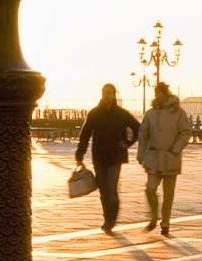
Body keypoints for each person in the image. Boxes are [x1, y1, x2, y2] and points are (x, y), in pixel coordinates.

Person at [75, 83, 139, 234]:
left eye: (110, 93)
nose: (107, 96)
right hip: (99, 156)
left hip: (116, 156)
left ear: (114, 94)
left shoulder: (121, 113)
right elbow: (85, 134)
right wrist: (80, 154)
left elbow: (138, 128)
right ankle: (107, 217)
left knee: (111, 189)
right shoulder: (95, 113)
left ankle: (111, 218)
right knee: (103, 189)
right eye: (105, 93)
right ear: (102, 95)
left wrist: (128, 143)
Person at [136, 82, 192, 237]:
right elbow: (143, 135)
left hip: (170, 158)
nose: (156, 96)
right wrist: (141, 154)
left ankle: (165, 222)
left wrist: (176, 148)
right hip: (153, 158)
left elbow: (185, 132)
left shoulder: (178, 113)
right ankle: (154, 215)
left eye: (158, 93)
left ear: (164, 93)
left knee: (169, 193)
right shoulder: (151, 114)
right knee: (150, 188)